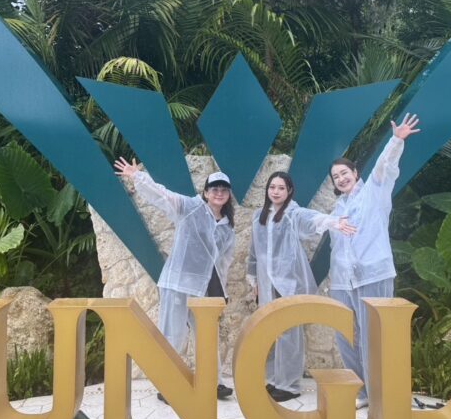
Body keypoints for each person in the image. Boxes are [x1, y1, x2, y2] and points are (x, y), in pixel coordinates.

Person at [113, 156, 236, 401]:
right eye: (214, 189)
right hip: (177, 283)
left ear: (228, 195)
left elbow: (223, 263)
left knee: (207, 335)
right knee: (173, 335)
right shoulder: (189, 208)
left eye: (223, 189)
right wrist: (137, 176)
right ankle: (168, 385)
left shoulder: (227, 228)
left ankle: (214, 383)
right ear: (206, 192)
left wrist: (221, 293)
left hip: (202, 288)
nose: (219, 193)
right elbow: (162, 195)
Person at [328, 113, 420, 409]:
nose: (341, 178)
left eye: (344, 173)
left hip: (372, 275)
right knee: (345, 337)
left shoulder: (373, 193)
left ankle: (381, 393)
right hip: (342, 282)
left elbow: (384, 168)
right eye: (336, 177)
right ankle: (363, 391)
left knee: (375, 336)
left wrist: (396, 141)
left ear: (355, 172)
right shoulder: (337, 209)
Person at [246, 171, 356, 401]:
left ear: (289, 191)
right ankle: (274, 379)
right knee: (271, 331)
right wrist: (253, 279)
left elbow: (312, 219)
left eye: (281, 188)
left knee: (289, 332)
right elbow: (254, 251)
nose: (276, 192)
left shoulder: (292, 214)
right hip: (267, 285)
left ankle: (289, 385)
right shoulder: (259, 217)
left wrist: (333, 222)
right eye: (272, 187)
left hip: (288, 283)